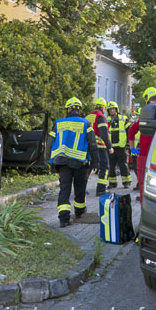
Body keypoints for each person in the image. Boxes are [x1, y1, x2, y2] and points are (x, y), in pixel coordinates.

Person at [49, 97, 99, 227]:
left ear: (68, 109)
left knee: (64, 189)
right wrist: (96, 162)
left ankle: (64, 218)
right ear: (79, 109)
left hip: (62, 162)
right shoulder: (85, 124)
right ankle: (79, 212)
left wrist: (47, 160)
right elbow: (93, 144)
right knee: (80, 189)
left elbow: (49, 141)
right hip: (80, 162)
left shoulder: (59, 123)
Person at [127, 88, 156, 202]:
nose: (154, 106)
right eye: (151, 104)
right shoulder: (144, 118)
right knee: (142, 182)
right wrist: (133, 150)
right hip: (143, 155)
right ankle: (144, 206)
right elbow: (131, 131)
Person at [85, 97, 113, 195]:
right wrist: (109, 147)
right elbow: (104, 134)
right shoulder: (101, 117)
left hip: (88, 146)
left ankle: (81, 189)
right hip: (100, 147)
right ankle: (101, 189)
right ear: (103, 107)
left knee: (88, 168)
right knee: (104, 167)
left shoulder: (88, 117)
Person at [106, 101, 132, 189]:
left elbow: (129, 131)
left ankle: (126, 182)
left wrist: (128, 144)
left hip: (121, 146)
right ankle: (112, 183)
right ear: (108, 111)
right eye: (110, 109)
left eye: (113, 109)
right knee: (111, 165)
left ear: (116, 109)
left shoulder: (123, 118)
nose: (112, 111)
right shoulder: (106, 120)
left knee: (123, 164)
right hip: (111, 147)